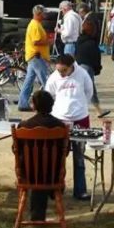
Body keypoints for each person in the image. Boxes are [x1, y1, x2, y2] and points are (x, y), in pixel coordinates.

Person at [44, 54, 94, 201]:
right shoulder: (54, 78)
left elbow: (89, 92)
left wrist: (80, 106)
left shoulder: (83, 74)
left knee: (79, 157)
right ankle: (56, 188)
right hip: (60, 119)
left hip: (80, 119)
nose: (61, 73)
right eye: (59, 70)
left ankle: (80, 190)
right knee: (58, 156)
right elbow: (48, 95)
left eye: (64, 70)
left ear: (72, 66)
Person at [16, 90, 67, 221]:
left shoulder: (23, 126)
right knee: (46, 169)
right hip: (53, 174)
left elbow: (16, 150)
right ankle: (50, 196)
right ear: (52, 105)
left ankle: (37, 215)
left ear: (33, 105)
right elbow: (65, 152)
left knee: (35, 168)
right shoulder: (61, 127)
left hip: (30, 173)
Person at [18, 5, 51, 111]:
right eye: (43, 13)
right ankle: (48, 104)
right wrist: (49, 42)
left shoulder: (36, 24)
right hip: (37, 56)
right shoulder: (35, 25)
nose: (45, 15)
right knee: (46, 81)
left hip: (34, 56)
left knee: (29, 81)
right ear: (38, 14)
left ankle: (23, 103)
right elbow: (35, 41)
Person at [75, 19, 107, 117]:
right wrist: (98, 69)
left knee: (83, 88)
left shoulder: (79, 41)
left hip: (79, 65)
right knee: (91, 88)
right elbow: (96, 58)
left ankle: (97, 109)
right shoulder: (92, 43)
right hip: (88, 67)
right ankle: (98, 110)